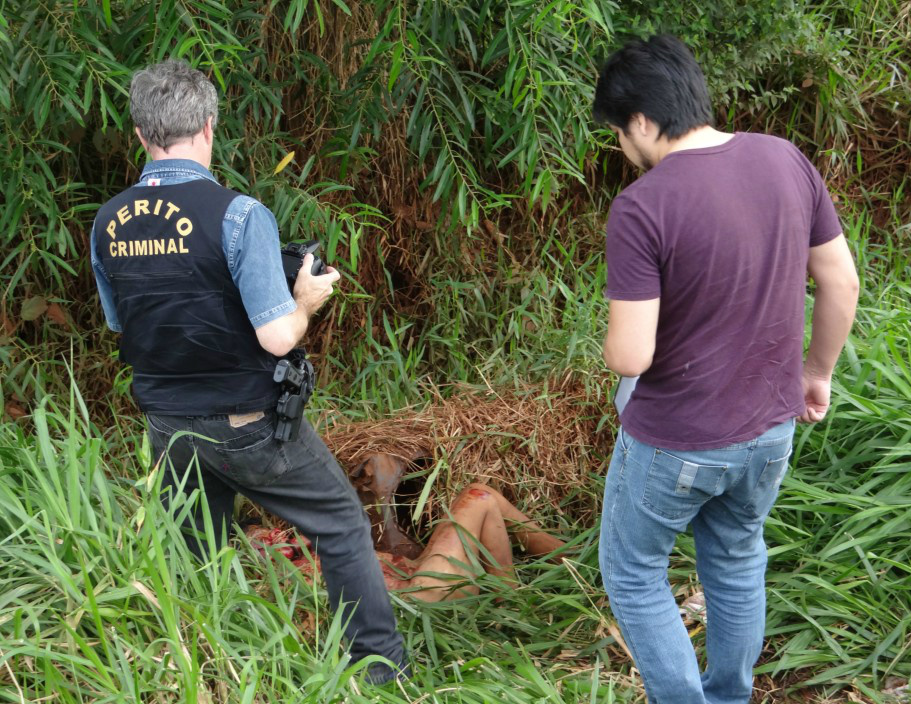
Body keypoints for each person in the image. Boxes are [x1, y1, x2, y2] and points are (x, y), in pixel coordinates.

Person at [90, 59, 406, 683]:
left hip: (166, 427)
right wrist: (306, 301)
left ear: (139, 134)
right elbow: (277, 335)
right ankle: (378, 674)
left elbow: (129, 323)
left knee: (198, 551)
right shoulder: (237, 215)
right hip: (247, 425)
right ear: (208, 125)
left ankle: (208, 674)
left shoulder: (108, 222)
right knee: (341, 522)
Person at [592, 35, 859, 704]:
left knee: (632, 574)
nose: (625, 150)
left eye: (621, 134)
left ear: (644, 123)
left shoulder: (643, 207)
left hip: (676, 440)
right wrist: (816, 372)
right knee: (737, 560)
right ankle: (729, 695)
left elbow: (631, 356)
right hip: (770, 426)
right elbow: (841, 282)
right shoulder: (784, 159)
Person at [248, 482, 567, 601]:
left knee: (486, 498)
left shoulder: (300, 551)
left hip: (419, 579)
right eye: (259, 538)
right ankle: (511, 600)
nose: (269, 535)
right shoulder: (283, 562)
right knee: (478, 496)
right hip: (423, 592)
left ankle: (564, 559)